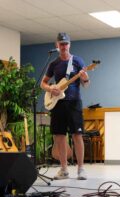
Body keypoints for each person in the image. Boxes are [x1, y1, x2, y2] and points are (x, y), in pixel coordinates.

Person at [41, 32, 90, 180]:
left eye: (66, 43)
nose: (63, 46)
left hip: (74, 103)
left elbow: (86, 84)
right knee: (60, 136)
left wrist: (85, 78)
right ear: (57, 45)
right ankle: (64, 169)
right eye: (61, 44)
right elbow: (43, 83)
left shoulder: (77, 61)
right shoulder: (54, 64)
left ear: (70, 44)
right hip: (58, 104)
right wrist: (50, 89)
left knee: (77, 134)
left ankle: (81, 169)